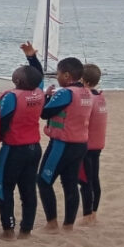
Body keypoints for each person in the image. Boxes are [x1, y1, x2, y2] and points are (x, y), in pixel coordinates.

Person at [0, 47, 45, 239]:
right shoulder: (39, 92)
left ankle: (8, 229)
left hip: (14, 149)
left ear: (17, 81)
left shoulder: (12, 97)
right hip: (34, 148)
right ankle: (26, 229)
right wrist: (31, 57)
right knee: (28, 189)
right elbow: (39, 76)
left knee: (4, 188)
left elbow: (3, 123)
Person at [39, 56, 93, 232]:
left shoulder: (66, 93)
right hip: (80, 145)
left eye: (58, 74)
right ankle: (68, 225)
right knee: (70, 184)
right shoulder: (87, 93)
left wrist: (47, 97)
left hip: (62, 144)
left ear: (67, 75)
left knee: (43, 181)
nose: (57, 77)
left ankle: (52, 223)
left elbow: (45, 113)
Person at [80, 64, 107, 224]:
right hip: (97, 145)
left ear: (84, 81)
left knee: (86, 181)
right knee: (94, 179)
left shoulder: (88, 98)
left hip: (87, 145)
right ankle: (93, 213)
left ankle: (87, 215)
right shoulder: (100, 97)